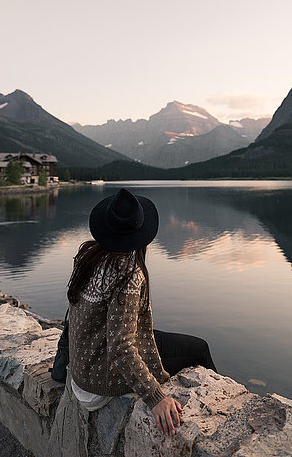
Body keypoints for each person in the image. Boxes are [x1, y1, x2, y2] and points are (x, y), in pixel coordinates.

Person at [66, 187, 218, 437]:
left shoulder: (88, 254)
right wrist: (156, 398)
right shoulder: (128, 275)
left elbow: (75, 313)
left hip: (83, 372)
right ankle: (213, 419)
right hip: (101, 381)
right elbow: (121, 348)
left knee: (171, 342)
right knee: (199, 348)